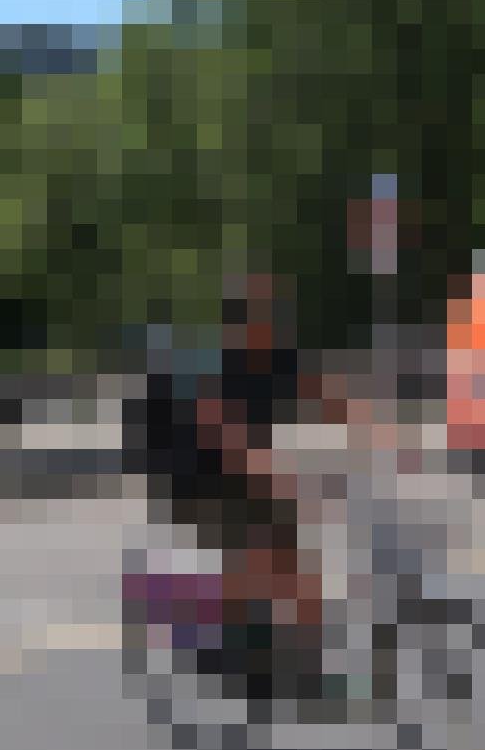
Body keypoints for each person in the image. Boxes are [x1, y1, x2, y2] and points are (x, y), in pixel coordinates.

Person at [130, 272, 347, 705]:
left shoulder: (277, 358)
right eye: (264, 318)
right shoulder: (214, 365)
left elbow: (325, 396)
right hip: (194, 478)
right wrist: (266, 469)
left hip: (231, 474)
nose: (273, 327)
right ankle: (261, 653)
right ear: (242, 325)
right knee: (260, 546)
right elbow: (220, 428)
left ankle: (284, 648)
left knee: (283, 549)